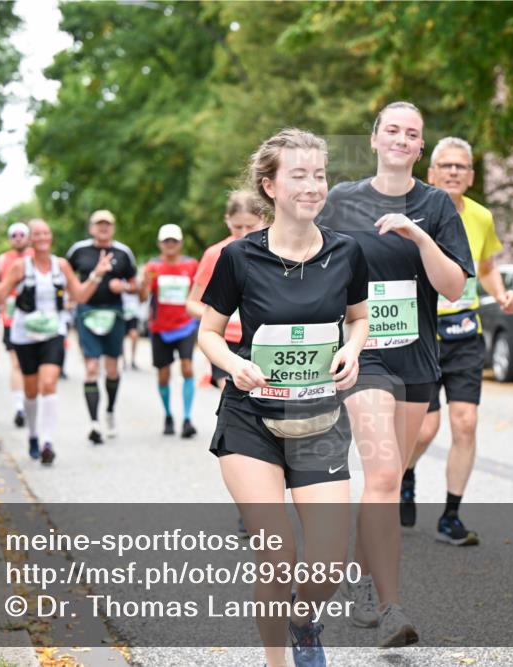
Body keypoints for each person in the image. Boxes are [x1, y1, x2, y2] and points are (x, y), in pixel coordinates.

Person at [198, 128, 369, 667]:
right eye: (299, 175)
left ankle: (304, 620)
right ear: (270, 186)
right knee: (278, 555)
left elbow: (359, 319)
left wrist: (353, 351)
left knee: (327, 566)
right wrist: (235, 363)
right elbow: (207, 332)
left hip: (319, 419)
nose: (313, 185)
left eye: (319, 174)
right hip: (251, 420)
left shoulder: (347, 253)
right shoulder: (239, 257)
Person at [317, 101, 473, 646]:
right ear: (376, 138)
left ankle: (362, 576)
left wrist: (420, 237)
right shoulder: (342, 201)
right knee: (383, 476)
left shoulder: (437, 204)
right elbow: (311, 264)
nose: (402, 139)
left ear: (419, 147)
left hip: (416, 357)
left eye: (413, 134)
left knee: (387, 479)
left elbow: (454, 287)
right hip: (363, 354)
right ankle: (389, 609)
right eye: (393, 131)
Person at [403, 137, 513, 544]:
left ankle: (450, 516)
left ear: (470, 176)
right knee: (423, 430)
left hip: (465, 332)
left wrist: (501, 292)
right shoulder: (413, 214)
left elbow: (485, 266)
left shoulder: (481, 218)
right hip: (421, 332)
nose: (453, 172)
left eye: (461, 167)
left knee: (465, 423)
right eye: (445, 166)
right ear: (431, 173)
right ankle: (405, 472)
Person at [0, 219, 113, 464]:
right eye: (36, 234)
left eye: (45, 233)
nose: (41, 238)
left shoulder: (60, 265)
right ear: (31, 239)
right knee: (30, 390)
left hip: (53, 332)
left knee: (49, 383)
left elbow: (80, 294)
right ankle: (33, 435)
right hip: (24, 335)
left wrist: (96, 275)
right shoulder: (20, 267)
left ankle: (48, 442)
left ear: (50, 237)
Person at [66, 210, 138, 443]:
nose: (103, 228)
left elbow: (136, 285)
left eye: (107, 224)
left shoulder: (123, 252)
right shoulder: (79, 251)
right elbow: (66, 277)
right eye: (99, 224)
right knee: (91, 368)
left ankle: (109, 412)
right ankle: (94, 423)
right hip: (86, 313)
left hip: (114, 314)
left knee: (112, 368)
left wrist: (124, 287)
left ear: (113, 228)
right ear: (91, 228)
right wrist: (73, 293)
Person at [187, 190, 268, 391]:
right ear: (227, 220)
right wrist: (221, 316)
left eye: (250, 226)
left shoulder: (276, 251)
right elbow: (191, 303)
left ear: (264, 219)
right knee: (231, 396)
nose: (243, 233)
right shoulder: (215, 254)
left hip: (264, 338)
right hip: (226, 341)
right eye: (237, 226)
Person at [140, 224, 200, 437]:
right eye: (166, 241)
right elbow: (142, 297)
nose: (170, 245)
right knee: (163, 375)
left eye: (174, 241)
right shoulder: (152, 267)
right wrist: (145, 284)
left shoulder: (192, 265)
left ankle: (187, 418)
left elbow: (200, 292)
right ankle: (167, 415)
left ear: (181, 243)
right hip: (160, 328)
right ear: (160, 244)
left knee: (187, 368)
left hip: (185, 325)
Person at [0, 222, 35, 426]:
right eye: (14, 235)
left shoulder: (37, 256)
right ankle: (19, 408)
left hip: (37, 320)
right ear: (9, 238)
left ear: (28, 237)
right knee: (16, 363)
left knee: (34, 368)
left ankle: (32, 405)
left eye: (22, 234)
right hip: (12, 318)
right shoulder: (2, 260)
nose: (18, 238)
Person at [121, 288, 142, 370]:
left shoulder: (137, 279)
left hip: (133, 311)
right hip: (122, 310)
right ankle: (124, 360)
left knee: (134, 335)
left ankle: (132, 360)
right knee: (121, 337)